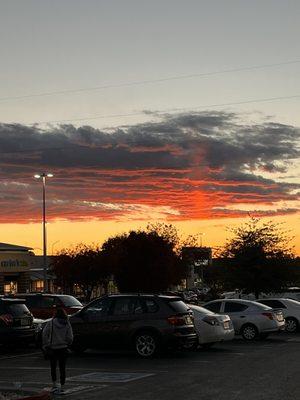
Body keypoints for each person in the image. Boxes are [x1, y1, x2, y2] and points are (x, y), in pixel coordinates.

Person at [42, 307, 73, 394]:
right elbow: (70, 337)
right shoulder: (67, 323)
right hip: (63, 348)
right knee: (62, 368)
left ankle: (54, 384)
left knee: (53, 367)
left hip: (53, 348)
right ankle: (62, 386)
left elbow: (45, 334)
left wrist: (46, 344)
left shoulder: (51, 323)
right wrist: (67, 343)